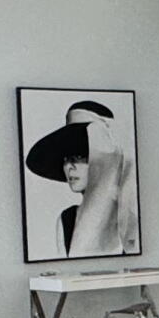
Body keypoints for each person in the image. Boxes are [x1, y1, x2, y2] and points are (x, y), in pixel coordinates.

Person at [26, 98, 138, 255]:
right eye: (66, 160)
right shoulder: (67, 220)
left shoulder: (130, 214)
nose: (69, 167)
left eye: (79, 157)